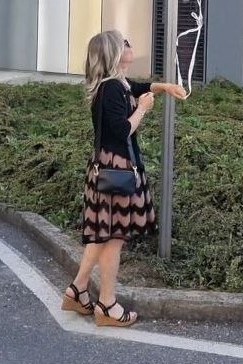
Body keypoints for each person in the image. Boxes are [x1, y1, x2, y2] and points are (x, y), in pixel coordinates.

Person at [61, 31, 187, 327]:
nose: (130, 45)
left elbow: (138, 86)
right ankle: (107, 305)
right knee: (113, 238)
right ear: (115, 54)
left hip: (106, 167)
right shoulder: (112, 90)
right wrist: (142, 109)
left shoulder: (117, 84)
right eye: (125, 43)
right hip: (117, 170)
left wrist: (163, 87)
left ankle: (77, 290)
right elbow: (122, 131)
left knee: (102, 235)